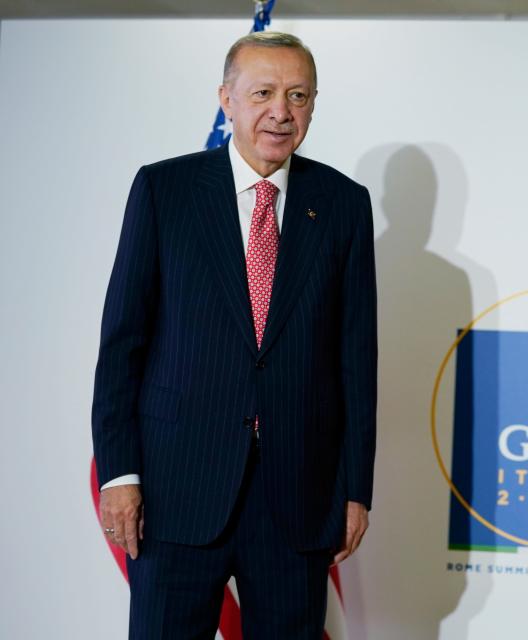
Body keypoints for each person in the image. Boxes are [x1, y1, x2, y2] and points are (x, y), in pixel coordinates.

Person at [91, 31, 376, 638]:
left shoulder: (344, 204)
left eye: (298, 95)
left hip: (297, 498)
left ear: (314, 104)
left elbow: (356, 359)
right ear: (227, 99)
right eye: (264, 92)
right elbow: (122, 344)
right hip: (177, 490)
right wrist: (120, 476)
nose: (281, 111)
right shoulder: (163, 191)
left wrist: (356, 489)